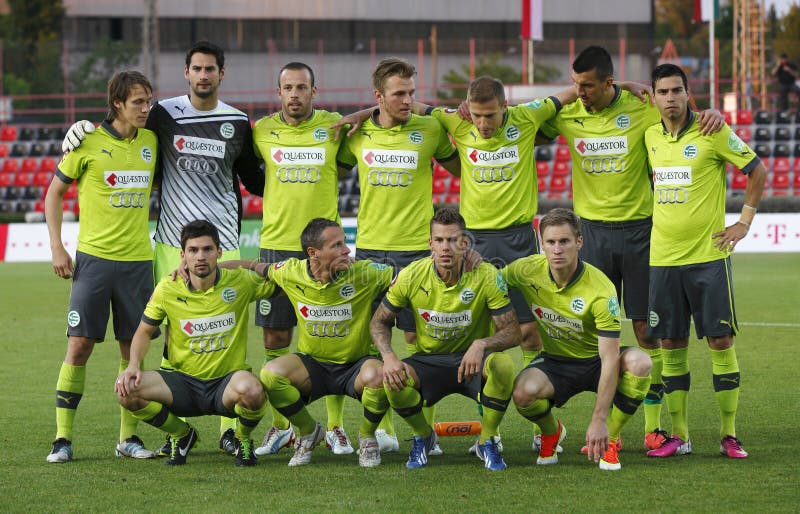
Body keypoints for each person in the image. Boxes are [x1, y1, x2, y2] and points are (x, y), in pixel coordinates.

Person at [62, 40, 265, 455]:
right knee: (173, 336)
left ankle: (229, 429)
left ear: (221, 74)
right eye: (197, 68)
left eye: (211, 69)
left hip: (222, 239)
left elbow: (254, 179)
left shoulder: (238, 122)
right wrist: (81, 128)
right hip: (171, 242)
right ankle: (180, 426)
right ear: (186, 73)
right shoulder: (162, 114)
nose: (204, 75)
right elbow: (122, 135)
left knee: (226, 331)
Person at [537, 46, 725, 452]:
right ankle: (565, 419)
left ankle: (652, 426)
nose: (579, 92)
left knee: (645, 330)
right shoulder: (567, 113)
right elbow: (521, 127)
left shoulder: (643, 106)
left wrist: (716, 113)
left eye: (587, 85)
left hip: (641, 232)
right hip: (591, 234)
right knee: (588, 330)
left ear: (608, 82)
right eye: (575, 84)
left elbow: (677, 107)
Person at [338, 57, 461, 454]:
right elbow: (332, 166)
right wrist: (357, 116)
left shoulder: (429, 129)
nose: (409, 100)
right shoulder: (355, 134)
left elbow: (461, 167)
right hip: (371, 250)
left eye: (411, 92)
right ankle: (383, 428)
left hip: (415, 250)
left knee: (416, 335)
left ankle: (422, 427)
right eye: (400, 94)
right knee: (376, 338)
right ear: (378, 97)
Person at [644, 63, 766, 459]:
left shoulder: (712, 131)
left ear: (687, 93)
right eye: (662, 92)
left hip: (707, 258)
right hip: (662, 260)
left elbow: (757, 170)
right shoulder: (650, 136)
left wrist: (743, 223)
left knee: (720, 339)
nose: (670, 98)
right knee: (671, 342)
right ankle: (680, 435)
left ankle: (729, 434)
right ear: (655, 96)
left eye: (677, 90)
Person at [44, 71, 159, 463]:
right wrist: (58, 247)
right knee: (79, 346)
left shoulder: (151, 141)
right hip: (93, 261)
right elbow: (53, 194)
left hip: (138, 262)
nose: (146, 109)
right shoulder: (87, 141)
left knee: (133, 353)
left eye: (148, 101)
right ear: (117, 104)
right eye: (138, 102)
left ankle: (128, 439)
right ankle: (62, 439)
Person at [251, 62, 357, 457]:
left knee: (333, 337)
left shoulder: (334, 127)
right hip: (277, 245)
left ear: (315, 90)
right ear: (277, 92)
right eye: (287, 88)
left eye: (301, 87)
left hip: (324, 245)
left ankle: (334, 427)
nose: (294, 94)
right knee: (276, 336)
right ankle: (282, 427)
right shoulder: (261, 130)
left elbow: (344, 163)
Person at [370, 208, 520, 471]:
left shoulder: (486, 275)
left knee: (503, 365)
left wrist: (481, 344)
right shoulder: (411, 275)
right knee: (392, 377)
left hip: (474, 361)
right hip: (429, 360)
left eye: (453, 240)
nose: (445, 247)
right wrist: (389, 356)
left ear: (465, 243)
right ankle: (424, 435)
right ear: (430, 244)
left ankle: (487, 440)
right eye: (439, 240)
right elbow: (379, 321)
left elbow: (513, 332)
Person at [115, 220, 273, 466]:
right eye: (193, 250)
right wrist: (133, 365)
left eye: (208, 249)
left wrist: (249, 264)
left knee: (253, 391)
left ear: (219, 252)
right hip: (182, 384)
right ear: (183, 255)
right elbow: (144, 332)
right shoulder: (168, 287)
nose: (201, 256)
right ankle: (182, 434)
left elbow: (281, 280)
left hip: (226, 383)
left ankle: (242, 438)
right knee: (127, 391)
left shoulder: (240, 282)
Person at [506, 208, 653, 471]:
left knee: (641, 363)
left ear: (579, 242)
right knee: (521, 393)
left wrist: (599, 419)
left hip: (596, 362)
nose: (557, 249)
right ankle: (551, 432)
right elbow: (490, 282)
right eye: (550, 242)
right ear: (542, 245)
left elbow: (609, 358)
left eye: (564, 241)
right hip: (556, 363)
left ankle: (611, 437)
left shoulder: (600, 288)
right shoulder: (526, 270)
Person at [256, 218, 394, 467]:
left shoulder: (364, 274)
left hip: (356, 366)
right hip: (313, 367)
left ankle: (366, 436)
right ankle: (309, 431)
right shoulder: (290, 272)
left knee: (382, 374)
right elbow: (255, 266)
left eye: (344, 243)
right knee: (270, 374)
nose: (347, 250)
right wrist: (207, 268)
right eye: (337, 245)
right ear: (313, 253)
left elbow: (405, 277)